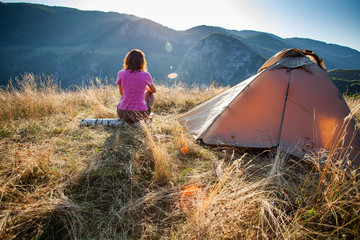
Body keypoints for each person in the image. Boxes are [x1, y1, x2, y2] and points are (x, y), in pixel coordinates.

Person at [116, 49, 156, 123]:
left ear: (127, 60)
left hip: (122, 113)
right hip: (140, 114)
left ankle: (127, 109)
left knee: (124, 95)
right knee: (150, 94)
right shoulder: (145, 75)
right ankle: (147, 112)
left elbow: (122, 93)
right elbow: (154, 90)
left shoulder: (121, 73)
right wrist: (145, 88)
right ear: (142, 62)